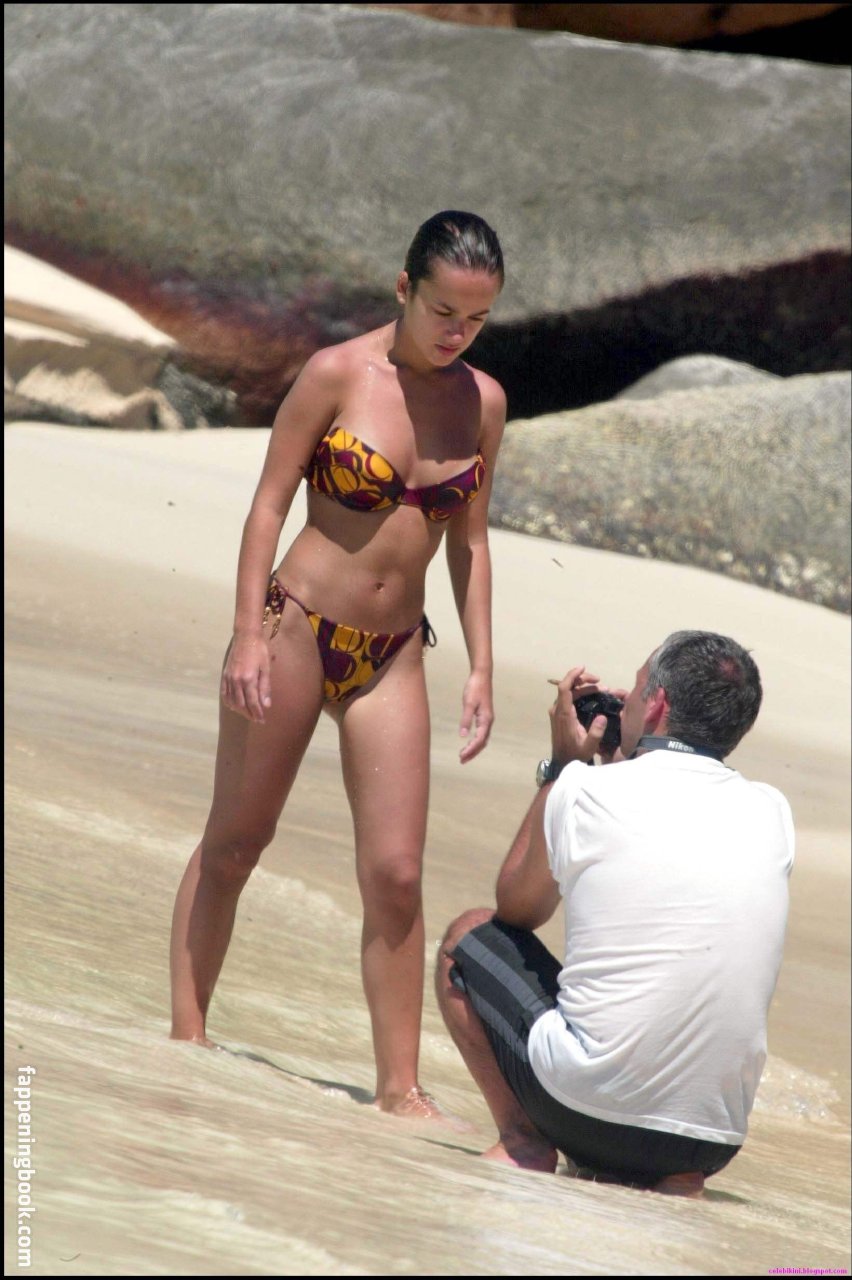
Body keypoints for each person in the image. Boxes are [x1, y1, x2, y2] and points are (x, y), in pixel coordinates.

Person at [170, 211, 507, 1118]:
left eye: (476, 320)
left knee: (396, 874)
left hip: (392, 654)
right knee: (238, 841)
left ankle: (399, 1088)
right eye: (443, 312)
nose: (457, 333)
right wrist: (246, 634)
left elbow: (471, 542)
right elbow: (267, 505)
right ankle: (187, 1039)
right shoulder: (335, 374)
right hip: (294, 627)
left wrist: (481, 665)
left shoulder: (484, 402)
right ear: (404, 288)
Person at [437, 631, 795, 1192]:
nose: (625, 698)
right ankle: (676, 1179)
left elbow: (517, 909)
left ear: (656, 705)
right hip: (711, 1140)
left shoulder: (584, 790)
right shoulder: (773, 812)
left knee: (467, 935)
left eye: (636, 687)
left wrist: (562, 768)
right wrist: (624, 758)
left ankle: (524, 1141)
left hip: (587, 1113)